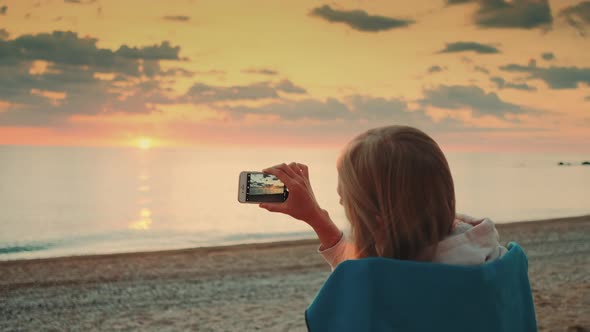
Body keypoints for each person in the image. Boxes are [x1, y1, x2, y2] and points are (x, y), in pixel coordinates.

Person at [259, 125, 537, 332]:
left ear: (377, 218)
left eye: (347, 203)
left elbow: (366, 286)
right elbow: (379, 272)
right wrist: (318, 219)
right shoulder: (499, 262)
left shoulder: (378, 291)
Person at [259, 125, 506, 268]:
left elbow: (359, 287)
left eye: (346, 198)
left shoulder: (393, 288)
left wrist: (316, 217)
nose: (341, 200)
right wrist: (316, 217)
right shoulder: (494, 256)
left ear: (376, 218)